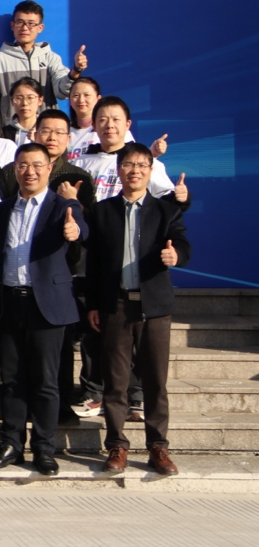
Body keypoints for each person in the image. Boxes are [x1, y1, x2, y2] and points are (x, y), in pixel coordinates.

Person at [0, 143, 87, 476]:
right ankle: (11, 443)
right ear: (15, 169)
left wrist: (74, 231)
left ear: (49, 169)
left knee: (45, 381)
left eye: (37, 165)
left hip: (46, 306)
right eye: (23, 165)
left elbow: (80, 230)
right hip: (8, 302)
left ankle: (44, 448)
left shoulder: (63, 207)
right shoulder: (1, 210)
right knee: (11, 379)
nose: (30, 171)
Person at [85, 143, 190, 477]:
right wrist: (93, 304)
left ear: (150, 170)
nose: (135, 171)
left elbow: (182, 243)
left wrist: (176, 256)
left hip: (154, 306)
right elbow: (94, 264)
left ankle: (158, 446)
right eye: (129, 164)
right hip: (115, 305)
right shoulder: (102, 212)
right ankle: (117, 445)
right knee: (115, 382)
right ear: (119, 170)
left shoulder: (165, 211)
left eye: (142, 165)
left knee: (155, 381)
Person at [0, 0, 84, 121]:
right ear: (12, 26)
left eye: (31, 23)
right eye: (20, 22)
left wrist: (75, 70)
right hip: (11, 130)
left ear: (40, 27)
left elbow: (62, 92)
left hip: (46, 128)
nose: (25, 28)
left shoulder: (50, 58)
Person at [74, 97, 189, 205]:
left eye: (116, 119)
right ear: (94, 125)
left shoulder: (145, 163)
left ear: (127, 124)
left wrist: (180, 198)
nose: (110, 125)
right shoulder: (78, 164)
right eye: (103, 120)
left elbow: (166, 199)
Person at [4, 77, 44, 145]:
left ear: (40, 100)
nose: (25, 103)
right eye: (19, 98)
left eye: (30, 98)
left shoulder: (46, 132)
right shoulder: (3, 134)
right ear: (12, 101)